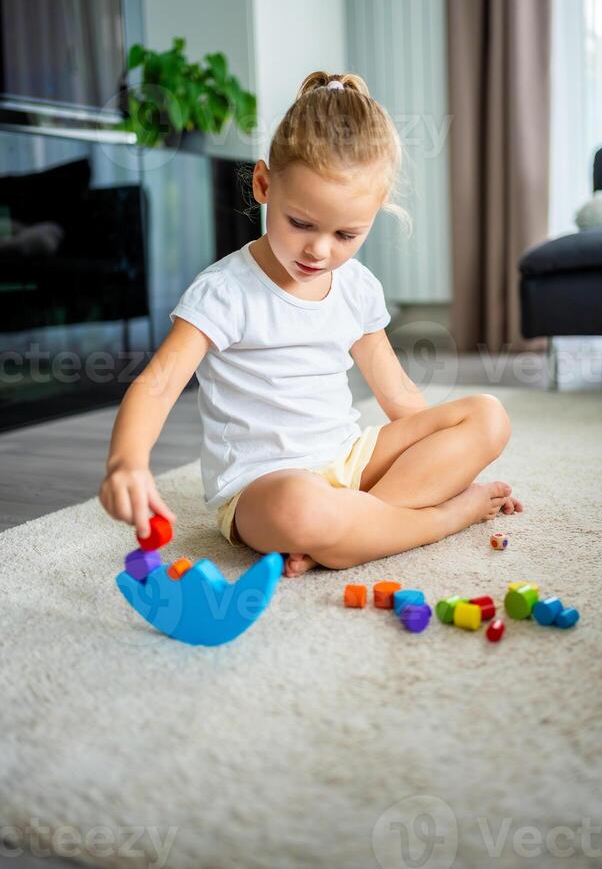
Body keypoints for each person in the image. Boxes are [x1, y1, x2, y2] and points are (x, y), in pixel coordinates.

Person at [99, 70, 523, 578]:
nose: (320, 251)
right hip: (267, 485)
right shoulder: (226, 291)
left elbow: (402, 402)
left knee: (488, 415)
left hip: (351, 461)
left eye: (346, 234)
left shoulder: (357, 287)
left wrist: (450, 461)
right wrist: (127, 462)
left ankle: (354, 531)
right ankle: (440, 521)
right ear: (264, 184)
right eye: (301, 224)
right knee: (304, 509)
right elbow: (159, 384)